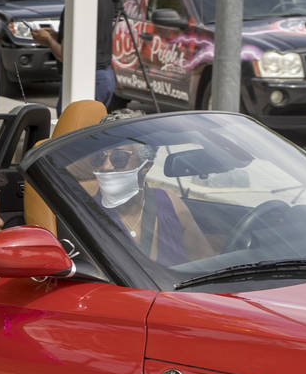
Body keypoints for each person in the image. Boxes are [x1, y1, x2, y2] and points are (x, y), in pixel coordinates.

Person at [86, 111, 214, 264]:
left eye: (119, 158)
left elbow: (206, 263)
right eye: (99, 157)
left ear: (146, 166)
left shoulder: (170, 204)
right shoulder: (85, 215)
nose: (106, 167)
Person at [30, 0, 116, 107]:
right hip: (101, 77)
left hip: (87, 80)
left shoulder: (80, 2)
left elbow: (67, 55)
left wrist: (48, 40)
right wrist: (57, 35)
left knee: (72, 130)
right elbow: (85, 39)